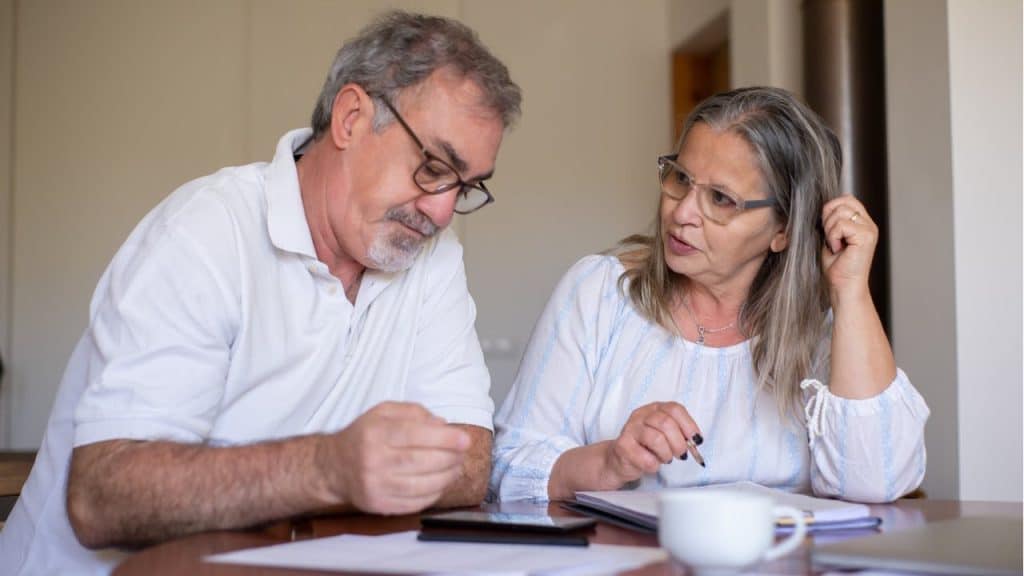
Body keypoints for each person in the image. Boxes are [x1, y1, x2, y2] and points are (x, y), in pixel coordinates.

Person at [1, 11, 521, 574]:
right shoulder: (207, 232)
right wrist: (327, 468)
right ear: (350, 118)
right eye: (432, 167)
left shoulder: (431, 259)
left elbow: (469, 462)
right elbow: (103, 498)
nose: (443, 210)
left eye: (465, 186)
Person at [490, 87, 928, 504]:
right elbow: (508, 469)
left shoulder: (823, 334)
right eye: (680, 178)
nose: (681, 213)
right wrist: (611, 461)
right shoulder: (599, 294)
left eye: (721, 199)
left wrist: (850, 292)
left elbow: (879, 480)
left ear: (783, 230)